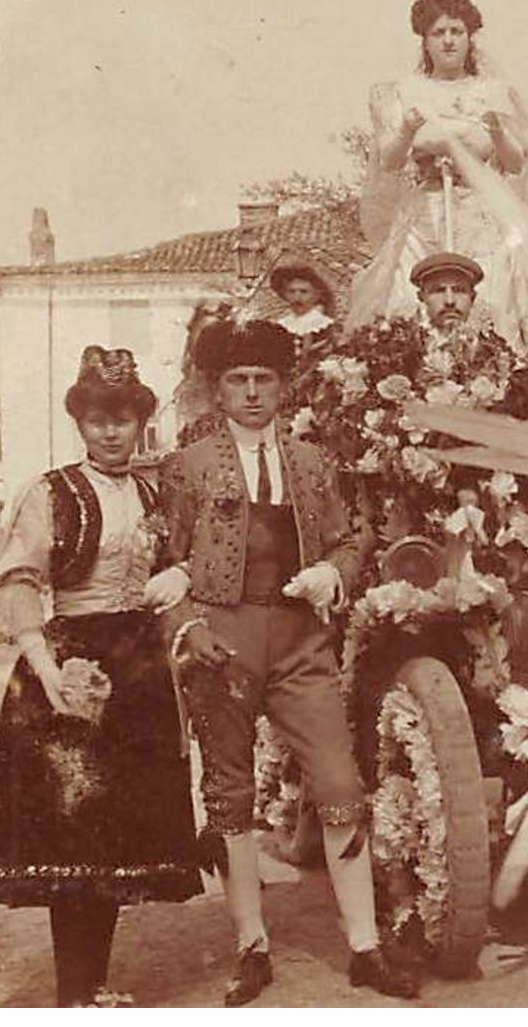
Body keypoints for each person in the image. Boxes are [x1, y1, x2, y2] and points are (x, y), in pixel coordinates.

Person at [155, 318, 418, 1003]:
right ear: (215, 390)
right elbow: (161, 564)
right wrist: (188, 627)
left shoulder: (311, 461)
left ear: (283, 384)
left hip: (302, 641)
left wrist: (333, 570)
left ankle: (364, 945)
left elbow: (349, 539)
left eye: (262, 380)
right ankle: (252, 945)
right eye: (236, 381)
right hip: (224, 639)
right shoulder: (185, 467)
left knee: (338, 782)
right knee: (231, 795)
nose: (250, 393)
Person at [0, 347, 202, 1007]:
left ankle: (94, 983)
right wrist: (46, 673)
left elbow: (179, 558)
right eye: (97, 419)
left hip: (140, 666)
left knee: (117, 837)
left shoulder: (154, 490)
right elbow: (20, 583)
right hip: (71, 664)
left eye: (122, 417)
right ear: (80, 423)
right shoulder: (51, 490)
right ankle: (76, 991)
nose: (111, 431)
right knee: (74, 831)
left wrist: (178, 574)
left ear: (141, 421)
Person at [349, 0, 528, 352]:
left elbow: (516, 162)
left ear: (470, 37)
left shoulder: (495, 92)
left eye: (457, 31)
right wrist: (408, 128)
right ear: (424, 41)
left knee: (493, 304)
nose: (448, 41)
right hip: (424, 215)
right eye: (438, 33)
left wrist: (496, 131)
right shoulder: (402, 91)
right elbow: (390, 162)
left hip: (481, 214)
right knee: (408, 309)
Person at [411, 249, 484, 332]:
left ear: (473, 298)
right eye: (439, 290)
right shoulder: (400, 342)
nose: (450, 301)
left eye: (459, 290)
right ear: (422, 297)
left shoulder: (492, 343)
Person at [270, 259, 335, 339]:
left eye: (304, 292)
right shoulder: (283, 323)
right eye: (291, 292)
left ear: (317, 295)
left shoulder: (320, 324)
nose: (297, 298)